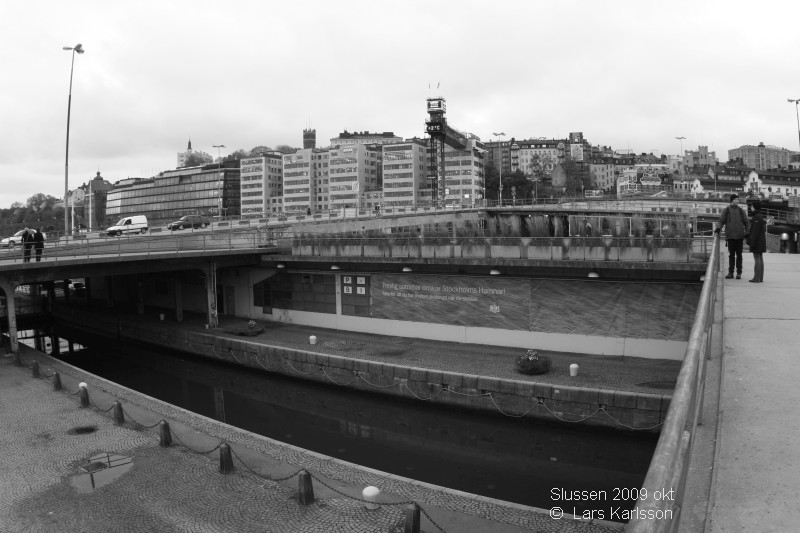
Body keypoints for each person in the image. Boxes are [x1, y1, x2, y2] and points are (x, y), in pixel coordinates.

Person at [714, 194, 750, 279]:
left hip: (740, 237)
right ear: (731, 201)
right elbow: (721, 220)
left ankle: (739, 273)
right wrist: (718, 228)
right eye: (735, 200)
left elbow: (747, 222)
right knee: (731, 255)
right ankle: (731, 272)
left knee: (739, 255)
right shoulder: (726, 210)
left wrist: (747, 232)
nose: (737, 201)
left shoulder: (741, 211)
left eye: (738, 199)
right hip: (730, 237)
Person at [747, 201, 766, 283]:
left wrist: (752, 243)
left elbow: (755, 232)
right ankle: (760, 277)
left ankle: (756, 278)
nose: (750, 208)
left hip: (757, 242)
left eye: (751, 206)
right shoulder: (760, 216)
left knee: (757, 258)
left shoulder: (756, 217)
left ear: (754, 207)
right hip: (760, 241)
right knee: (760, 258)